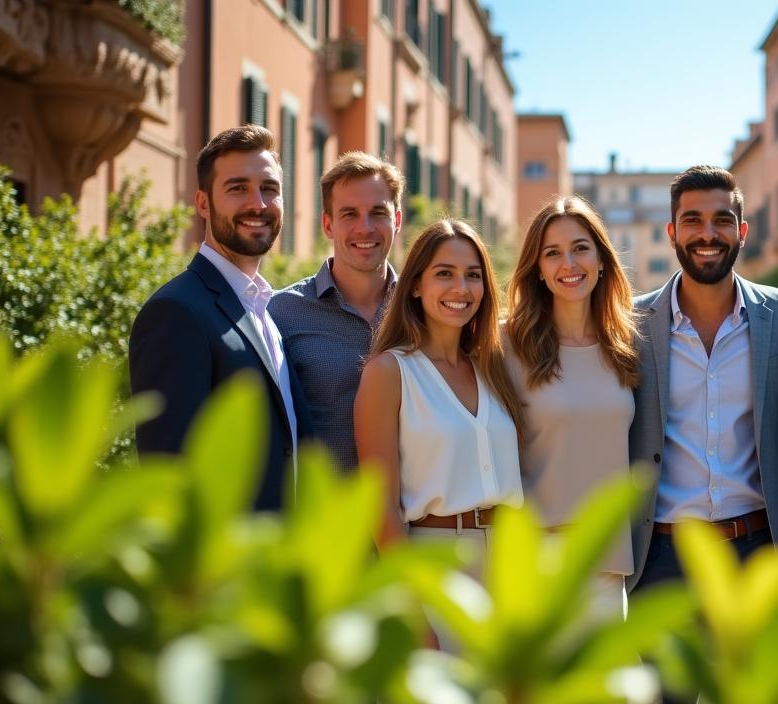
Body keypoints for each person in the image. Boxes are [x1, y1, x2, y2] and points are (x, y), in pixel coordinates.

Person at [628, 166, 778, 594]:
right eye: (693, 221)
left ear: (741, 230)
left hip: (759, 551)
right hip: (662, 559)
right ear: (672, 232)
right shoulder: (631, 324)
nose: (708, 234)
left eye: (722, 220)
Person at [129, 124, 311, 511]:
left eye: (269, 189)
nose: (258, 204)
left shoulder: (266, 309)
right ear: (203, 203)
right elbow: (169, 474)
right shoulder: (176, 311)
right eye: (237, 188)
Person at [353, 219, 525, 559]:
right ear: (416, 285)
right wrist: (412, 600)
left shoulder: (493, 367)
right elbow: (379, 504)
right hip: (439, 559)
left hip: (510, 558)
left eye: (473, 275)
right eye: (444, 273)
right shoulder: (388, 373)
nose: (461, 287)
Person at [504, 195, 639, 617]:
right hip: (540, 558)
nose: (569, 264)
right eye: (552, 253)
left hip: (608, 558)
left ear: (601, 259)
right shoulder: (507, 345)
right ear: (538, 270)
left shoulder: (625, 344)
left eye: (580, 248)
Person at [270, 152, 402, 471]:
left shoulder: (424, 309)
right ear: (328, 225)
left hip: (415, 519)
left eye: (377, 212)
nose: (365, 228)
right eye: (349, 214)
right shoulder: (280, 313)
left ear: (396, 220)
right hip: (325, 516)